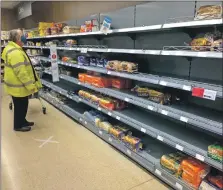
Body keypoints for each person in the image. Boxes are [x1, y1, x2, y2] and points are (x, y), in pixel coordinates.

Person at [1, 29, 42, 132]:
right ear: (17, 38)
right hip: (19, 86)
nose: (24, 36)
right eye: (21, 35)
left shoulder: (14, 48)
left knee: (23, 105)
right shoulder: (15, 52)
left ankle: (23, 121)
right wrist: (31, 86)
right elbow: (21, 72)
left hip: (17, 85)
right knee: (20, 106)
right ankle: (18, 126)